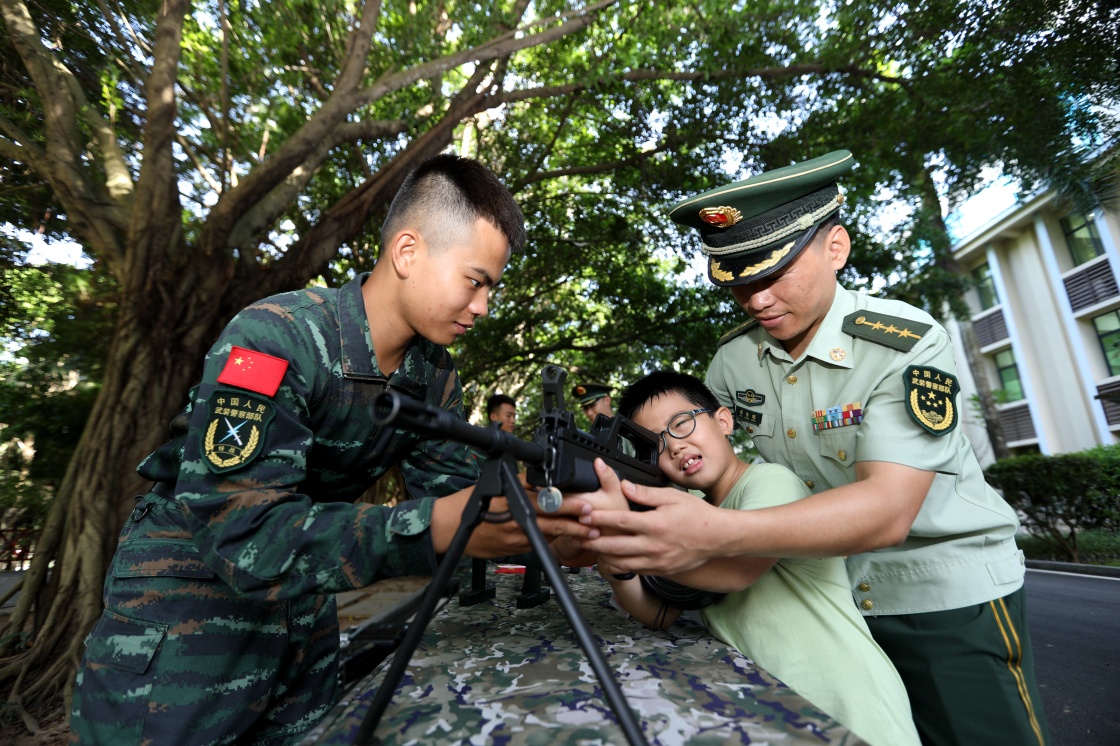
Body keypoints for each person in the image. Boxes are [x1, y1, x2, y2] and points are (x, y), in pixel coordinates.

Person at [71, 154, 592, 745]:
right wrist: (437, 526)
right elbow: (241, 531)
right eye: (475, 282)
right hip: (185, 607)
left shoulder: (433, 376)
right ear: (407, 252)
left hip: (304, 604)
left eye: (490, 288)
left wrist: (550, 525)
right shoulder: (276, 337)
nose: (482, 307)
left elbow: (458, 502)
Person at [576, 151, 1049, 745]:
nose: (756, 299)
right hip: (828, 597)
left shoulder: (903, 343)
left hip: (942, 595)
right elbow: (699, 459)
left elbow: (888, 512)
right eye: (739, 281)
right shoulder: (734, 360)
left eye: (772, 273)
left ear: (836, 248)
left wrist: (708, 533)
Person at [585, 371, 919, 745]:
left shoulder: (768, 481)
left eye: (681, 424)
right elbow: (661, 613)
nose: (674, 446)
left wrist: (639, 551)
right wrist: (616, 567)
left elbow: (738, 570)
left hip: (850, 704)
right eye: (656, 444)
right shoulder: (691, 510)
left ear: (723, 421)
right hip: (778, 711)